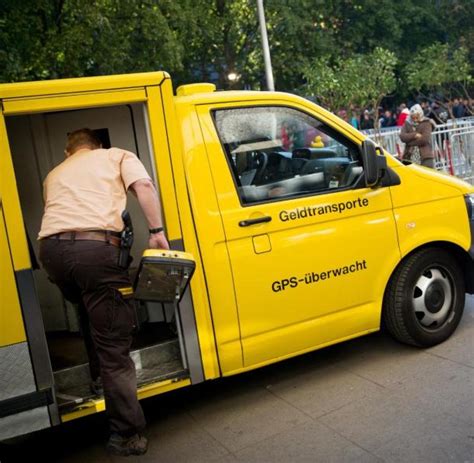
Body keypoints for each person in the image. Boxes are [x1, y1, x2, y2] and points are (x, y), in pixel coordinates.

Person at [38, 128, 169, 456]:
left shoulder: (55, 172)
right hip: (96, 251)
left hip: (51, 253)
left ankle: (98, 379)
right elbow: (143, 186)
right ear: (98, 146)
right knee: (114, 343)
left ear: (69, 152)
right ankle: (126, 436)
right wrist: (156, 232)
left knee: (88, 306)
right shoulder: (117, 155)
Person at [399, 104, 437, 168]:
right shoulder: (407, 123)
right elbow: (402, 136)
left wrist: (409, 142)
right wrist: (414, 135)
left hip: (425, 156)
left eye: (417, 117)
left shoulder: (426, 123)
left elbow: (424, 139)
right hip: (409, 156)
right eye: (413, 118)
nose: (415, 119)